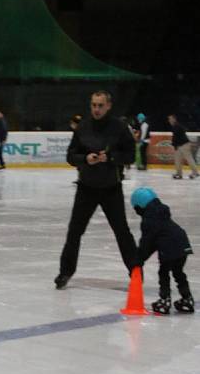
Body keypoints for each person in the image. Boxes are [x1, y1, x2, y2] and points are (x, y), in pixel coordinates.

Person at [55, 90, 138, 289]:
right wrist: (85, 159)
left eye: (100, 105)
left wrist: (110, 158)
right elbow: (70, 156)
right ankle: (66, 272)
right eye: (93, 105)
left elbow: (130, 155)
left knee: (122, 232)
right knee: (74, 232)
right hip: (86, 189)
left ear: (108, 106)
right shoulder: (82, 126)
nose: (96, 109)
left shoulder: (119, 127)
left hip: (111, 189)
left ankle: (136, 271)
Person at [131, 187, 194, 314]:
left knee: (163, 273)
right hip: (183, 244)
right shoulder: (162, 213)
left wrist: (138, 259)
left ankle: (164, 300)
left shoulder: (149, 220)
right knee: (178, 273)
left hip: (169, 247)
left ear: (140, 206)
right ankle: (187, 298)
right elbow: (155, 240)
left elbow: (147, 242)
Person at [168, 114, 199, 180]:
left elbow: (176, 137)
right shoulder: (175, 126)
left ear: (174, 119)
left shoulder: (177, 126)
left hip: (184, 145)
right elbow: (176, 137)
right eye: (169, 119)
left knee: (189, 159)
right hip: (179, 146)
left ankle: (195, 172)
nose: (169, 120)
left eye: (170, 119)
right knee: (177, 159)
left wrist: (174, 144)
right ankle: (179, 174)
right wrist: (175, 145)